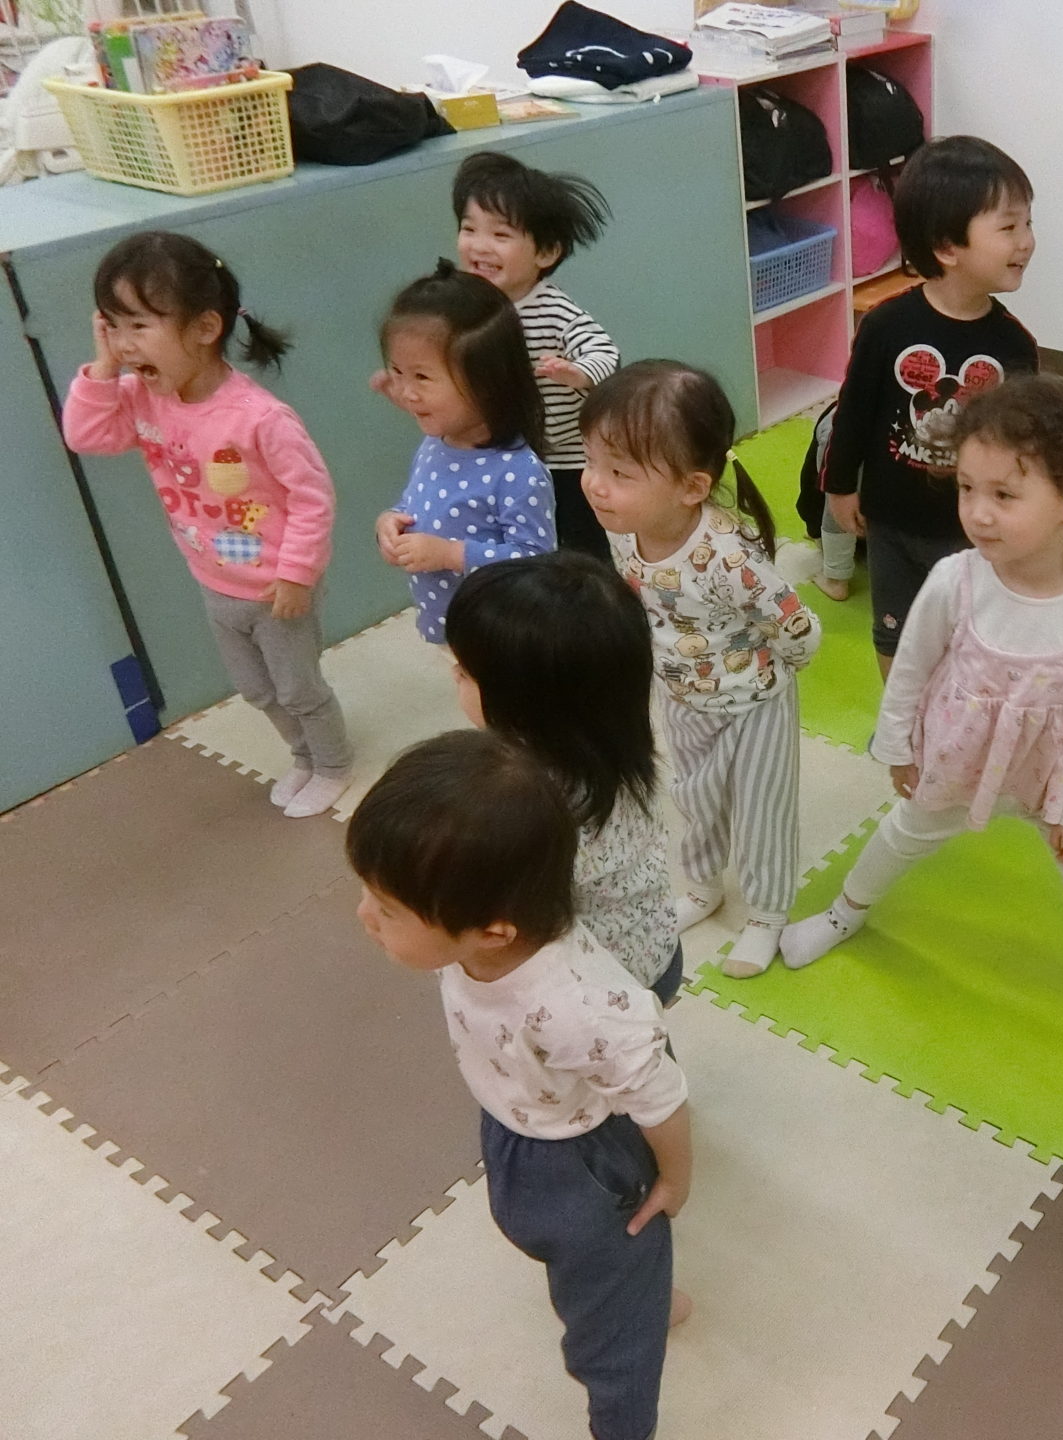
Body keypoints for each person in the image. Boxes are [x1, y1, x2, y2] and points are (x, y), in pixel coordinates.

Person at [782, 376, 1063, 1065]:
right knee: (900, 836)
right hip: (957, 757)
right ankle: (845, 914)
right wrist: (898, 746)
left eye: (1004, 495)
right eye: (967, 489)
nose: (977, 513)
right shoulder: (956, 580)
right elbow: (911, 667)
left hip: (1053, 778)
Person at [348, 730, 691, 1440]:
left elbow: (661, 1093)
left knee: (609, 1344)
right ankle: (641, 1294)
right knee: (585, 1268)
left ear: (493, 933)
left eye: (386, 908)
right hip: (517, 1126)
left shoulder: (582, 1005)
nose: (364, 916)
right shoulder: (477, 935)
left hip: (589, 1161)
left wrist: (675, 1180)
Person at [62, 230, 352, 818]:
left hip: (276, 588)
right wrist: (103, 366)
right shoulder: (143, 397)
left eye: (139, 325)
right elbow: (86, 435)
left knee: (299, 689)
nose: (124, 342)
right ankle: (303, 756)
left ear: (204, 327)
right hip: (215, 580)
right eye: (112, 324)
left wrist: (297, 574)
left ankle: (333, 764)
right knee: (257, 690)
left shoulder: (260, 417)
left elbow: (312, 497)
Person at [582, 361, 820, 979]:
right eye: (592, 463)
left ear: (692, 487)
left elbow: (798, 627)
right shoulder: (625, 531)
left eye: (619, 473)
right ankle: (703, 885)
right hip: (682, 696)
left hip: (755, 702)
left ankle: (766, 915)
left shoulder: (727, 558)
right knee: (694, 797)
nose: (595, 485)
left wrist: (775, 676)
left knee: (762, 811)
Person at [817, 136, 1037, 673]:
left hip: (971, 529)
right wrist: (840, 487)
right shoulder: (887, 325)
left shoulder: (1014, 345)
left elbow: (1026, 448)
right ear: (947, 247)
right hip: (891, 521)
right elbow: (854, 410)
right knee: (893, 634)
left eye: (1028, 224)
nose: (1027, 242)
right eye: (1009, 227)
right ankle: (900, 716)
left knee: (968, 640)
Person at [444, 551, 681, 1003]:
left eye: (466, 673)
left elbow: (496, 918)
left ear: (525, 703)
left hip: (605, 991)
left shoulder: (525, 802)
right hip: (656, 946)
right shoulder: (613, 743)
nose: (452, 674)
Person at [373, 261, 556, 644]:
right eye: (397, 372)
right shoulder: (435, 444)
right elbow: (417, 504)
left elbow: (537, 564)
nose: (405, 392)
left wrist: (450, 554)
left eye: (422, 377)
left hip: (501, 639)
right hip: (450, 629)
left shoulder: (517, 470)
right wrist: (391, 523)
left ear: (487, 382)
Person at [453, 150, 620, 562]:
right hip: (508, 456)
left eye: (500, 235)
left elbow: (604, 351)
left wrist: (578, 373)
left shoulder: (553, 310)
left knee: (581, 550)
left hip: (566, 460)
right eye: (469, 229)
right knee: (524, 545)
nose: (479, 246)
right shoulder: (469, 305)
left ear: (545, 253)